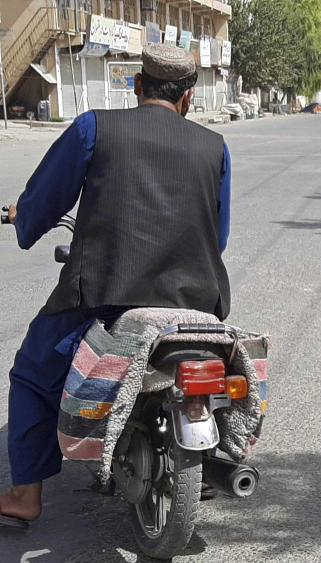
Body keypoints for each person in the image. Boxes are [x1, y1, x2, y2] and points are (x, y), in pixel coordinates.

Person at [0, 43, 231, 528]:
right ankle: (208, 463)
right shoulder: (215, 147)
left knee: (30, 375)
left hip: (103, 299)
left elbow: (44, 199)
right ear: (188, 97)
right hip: (195, 302)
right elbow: (219, 234)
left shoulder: (95, 128)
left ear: (137, 86)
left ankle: (25, 494)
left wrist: (25, 222)